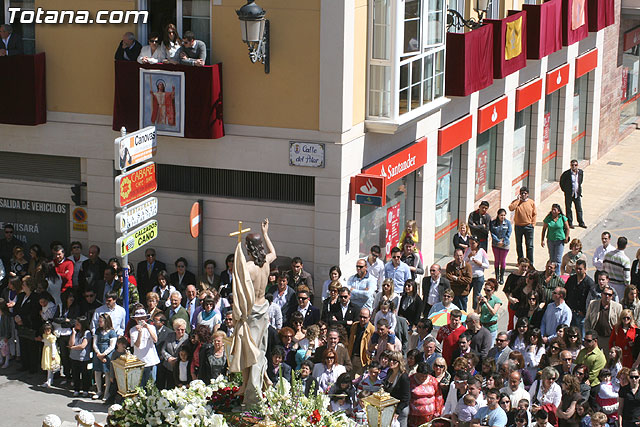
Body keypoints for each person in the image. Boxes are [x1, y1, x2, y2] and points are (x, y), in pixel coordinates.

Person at [585, 285, 622, 350]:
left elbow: (620, 323)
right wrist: (589, 333)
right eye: (605, 294)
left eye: (609, 295)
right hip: (595, 337)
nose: (607, 296)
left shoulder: (618, 307)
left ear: (612, 297)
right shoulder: (593, 304)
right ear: (601, 294)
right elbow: (587, 320)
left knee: (608, 358)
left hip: (609, 337)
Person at [409, 362, 444, 426]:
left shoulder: (433, 380)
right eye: (421, 375)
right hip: (414, 416)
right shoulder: (410, 380)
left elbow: (438, 396)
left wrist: (438, 412)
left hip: (430, 416)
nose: (423, 378)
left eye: (425, 376)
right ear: (417, 373)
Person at [565, 260, 595, 335]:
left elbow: (591, 301)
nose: (578, 271)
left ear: (585, 269)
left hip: (581, 316)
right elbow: (566, 293)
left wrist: (584, 312)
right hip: (571, 312)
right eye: (576, 268)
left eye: (580, 269)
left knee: (581, 336)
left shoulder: (590, 283)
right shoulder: (571, 279)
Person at [509, 187, 537, 263]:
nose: (523, 195)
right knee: (519, 245)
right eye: (522, 193)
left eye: (525, 193)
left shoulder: (531, 202)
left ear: (527, 194)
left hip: (528, 226)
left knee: (529, 246)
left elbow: (534, 214)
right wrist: (518, 200)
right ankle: (520, 261)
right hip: (518, 226)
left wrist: (533, 224)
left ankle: (530, 262)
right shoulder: (517, 202)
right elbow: (511, 208)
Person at [91, 313, 116, 399]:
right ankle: (99, 390)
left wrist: (104, 354)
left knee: (107, 373)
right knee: (97, 372)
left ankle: (106, 392)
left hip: (107, 354)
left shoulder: (112, 332)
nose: (99, 323)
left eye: (101, 321)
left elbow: (112, 346)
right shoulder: (98, 331)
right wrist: (98, 353)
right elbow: (94, 343)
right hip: (98, 353)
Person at [383, 351, 411, 427]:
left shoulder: (404, 377)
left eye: (394, 361)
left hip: (400, 410)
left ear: (399, 362)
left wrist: (397, 412)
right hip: (389, 408)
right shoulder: (389, 372)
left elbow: (406, 398)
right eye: (390, 360)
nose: (391, 362)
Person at [541, 204, 570, 275]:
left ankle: (557, 274)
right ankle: (550, 272)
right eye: (552, 209)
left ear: (559, 211)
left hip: (560, 241)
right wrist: (542, 240)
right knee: (552, 258)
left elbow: (567, 228)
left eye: (555, 210)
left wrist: (566, 237)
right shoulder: (548, 218)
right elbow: (544, 229)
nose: (553, 211)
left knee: (558, 259)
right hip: (551, 240)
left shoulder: (562, 218)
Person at [69, 316, 92, 397]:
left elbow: (83, 345)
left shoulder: (87, 333)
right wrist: (73, 333)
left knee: (85, 374)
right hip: (74, 357)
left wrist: (73, 348)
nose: (76, 325)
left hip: (83, 358)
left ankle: (85, 390)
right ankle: (76, 389)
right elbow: (71, 343)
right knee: (75, 374)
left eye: (78, 324)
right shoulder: (76, 332)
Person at [348, 308, 375, 376]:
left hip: (363, 359)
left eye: (365, 317)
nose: (362, 319)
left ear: (369, 317)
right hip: (353, 357)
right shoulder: (355, 325)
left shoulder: (372, 329)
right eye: (360, 317)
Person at [465, 236, 490, 309]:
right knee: (465, 293)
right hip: (469, 277)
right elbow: (462, 263)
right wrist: (469, 256)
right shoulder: (467, 250)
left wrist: (480, 264)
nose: (471, 245)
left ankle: (476, 310)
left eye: (473, 243)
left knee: (476, 295)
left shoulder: (482, 251)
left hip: (478, 277)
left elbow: (487, 265)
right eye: (470, 243)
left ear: (477, 243)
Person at [559, 160, 585, 229]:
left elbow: (580, 182)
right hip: (569, 194)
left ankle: (581, 222)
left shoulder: (580, 173)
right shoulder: (566, 174)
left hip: (577, 194)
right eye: (572, 165)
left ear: (577, 165)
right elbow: (562, 182)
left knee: (579, 208)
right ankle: (570, 223)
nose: (574, 166)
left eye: (575, 165)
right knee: (568, 209)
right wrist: (565, 190)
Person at [490, 209, 512, 285]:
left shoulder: (508, 223)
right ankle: (497, 276)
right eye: (501, 215)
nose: (502, 217)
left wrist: (503, 242)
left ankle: (501, 277)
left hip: (505, 244)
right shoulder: (493, 223)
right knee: (496, 259)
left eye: (504, 215)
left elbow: (509, 233)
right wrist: (497, 241)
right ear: (498, 215)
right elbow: (492, 233)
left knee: (502, 260)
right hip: (496, 244)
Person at [39, 322, 60, 388]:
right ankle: (49, 380)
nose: (46, 332)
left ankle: (49, 381)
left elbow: (54, 346)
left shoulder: (52, 337)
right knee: (49, 367)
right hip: (46, 351)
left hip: (50, 352)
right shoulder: (45, 336)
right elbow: (45, 341)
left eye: (48, 330)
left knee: (50, 367)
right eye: (45, 330)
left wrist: (53, 355)